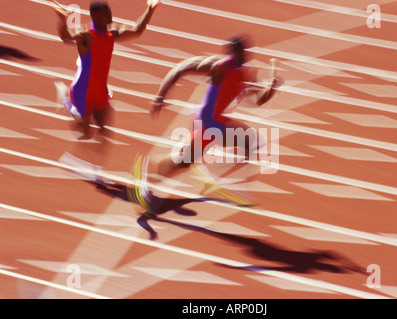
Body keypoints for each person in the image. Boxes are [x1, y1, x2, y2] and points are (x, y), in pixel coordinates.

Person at [129, 35, 280, 212]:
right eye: (238, 51)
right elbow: (180, 68)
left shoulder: (245, 74)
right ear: (230, 52)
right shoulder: (219, 67)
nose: (243, 54)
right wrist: (160, 96)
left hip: (217, 121)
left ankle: (157, 168)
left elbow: (258, 101)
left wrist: (272, 87)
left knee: (183, 163)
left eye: (244, 51)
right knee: (250, 142)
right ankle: (146, 177)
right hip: (207, 122)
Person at [52, 0, 160, 177]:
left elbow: (137, 30)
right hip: (82, 90)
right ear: (94, 16)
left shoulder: (112, 33)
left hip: (100, 89)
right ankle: (67, 101)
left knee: (104, 131)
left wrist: (150, 8)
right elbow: (65, 37)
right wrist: (62, 19)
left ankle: (97, 171)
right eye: (105, 14)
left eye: (109, 12)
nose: (110, 16)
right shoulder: (86, 35)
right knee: (85, 134)